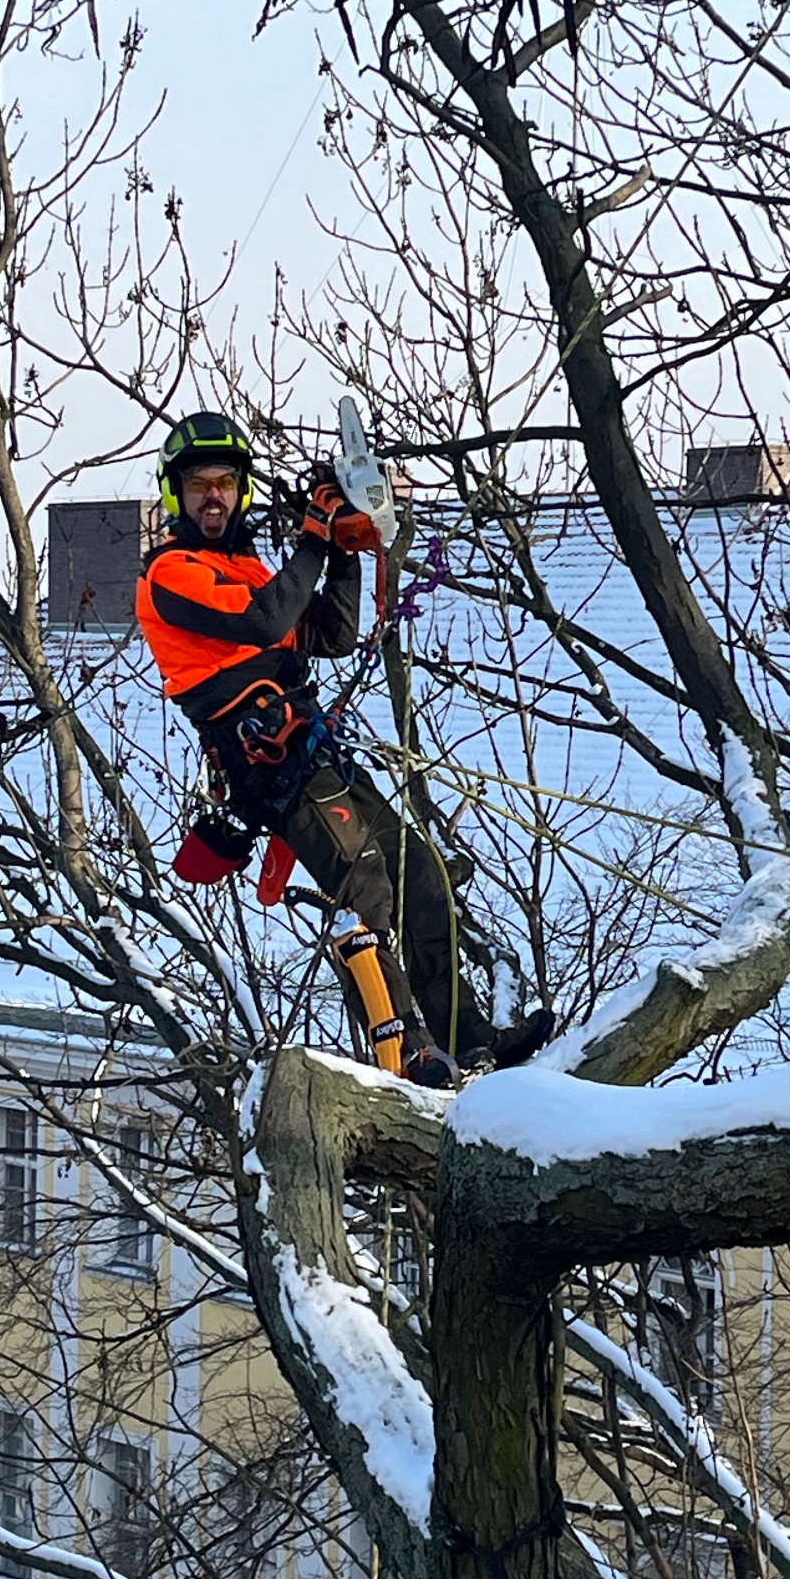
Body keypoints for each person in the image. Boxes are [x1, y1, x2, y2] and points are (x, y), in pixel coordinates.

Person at [134, 410, 553, 1085]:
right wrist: (312, 535)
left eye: (222, 483)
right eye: (197, 486)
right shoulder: (171, 573)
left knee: (420, 873)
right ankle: (404, 1049)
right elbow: (264, 618)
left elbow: (329, 632)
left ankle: (468, 1036)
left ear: (239, 490)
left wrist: (342, 549)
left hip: (310, 748)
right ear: (175, 494)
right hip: (264, 762)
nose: (211, 496)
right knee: (365, 886)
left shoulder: (246, 566)